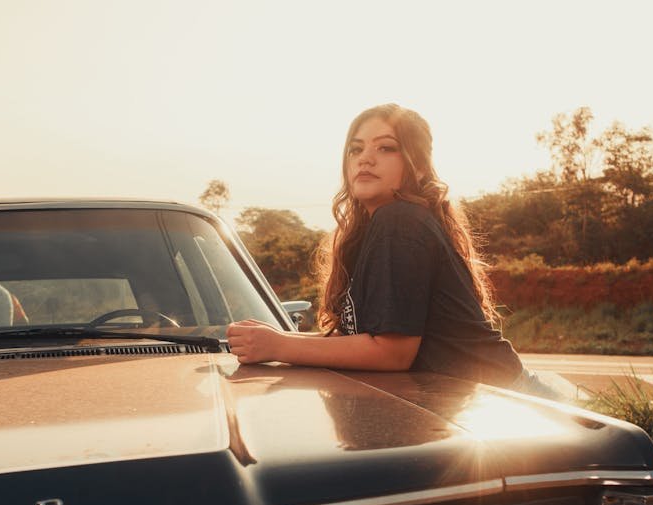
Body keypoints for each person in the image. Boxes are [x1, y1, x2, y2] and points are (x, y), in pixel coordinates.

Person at [227, 103, 557, 398]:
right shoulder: (371, 232)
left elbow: (392, 353)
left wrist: (279, 346)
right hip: (472, 402)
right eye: (355, 150)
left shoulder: (400, 221)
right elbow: (362, 341)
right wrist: (275, 338)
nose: (365, 159)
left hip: (505, 404)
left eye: (386, 148)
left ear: (419, 168)